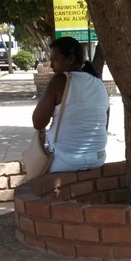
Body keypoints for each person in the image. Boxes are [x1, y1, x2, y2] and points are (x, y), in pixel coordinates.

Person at [31, 36, 110, 174]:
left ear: (71, 59)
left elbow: (38, 123)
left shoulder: (60, 80)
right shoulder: (99, 83)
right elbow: (105, 121)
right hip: (98, 157)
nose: (51, 65)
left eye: (55, 59)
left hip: (65, 161)